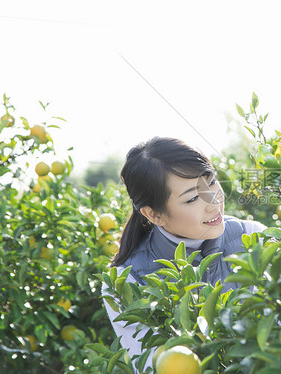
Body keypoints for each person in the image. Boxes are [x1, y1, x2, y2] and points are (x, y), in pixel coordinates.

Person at [102, 137, 266, 371]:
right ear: (154, 215)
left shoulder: (253, 238)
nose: (214, 200)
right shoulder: (125, 282)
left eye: (211, 182)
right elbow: (153, 365)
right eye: (192, 198)